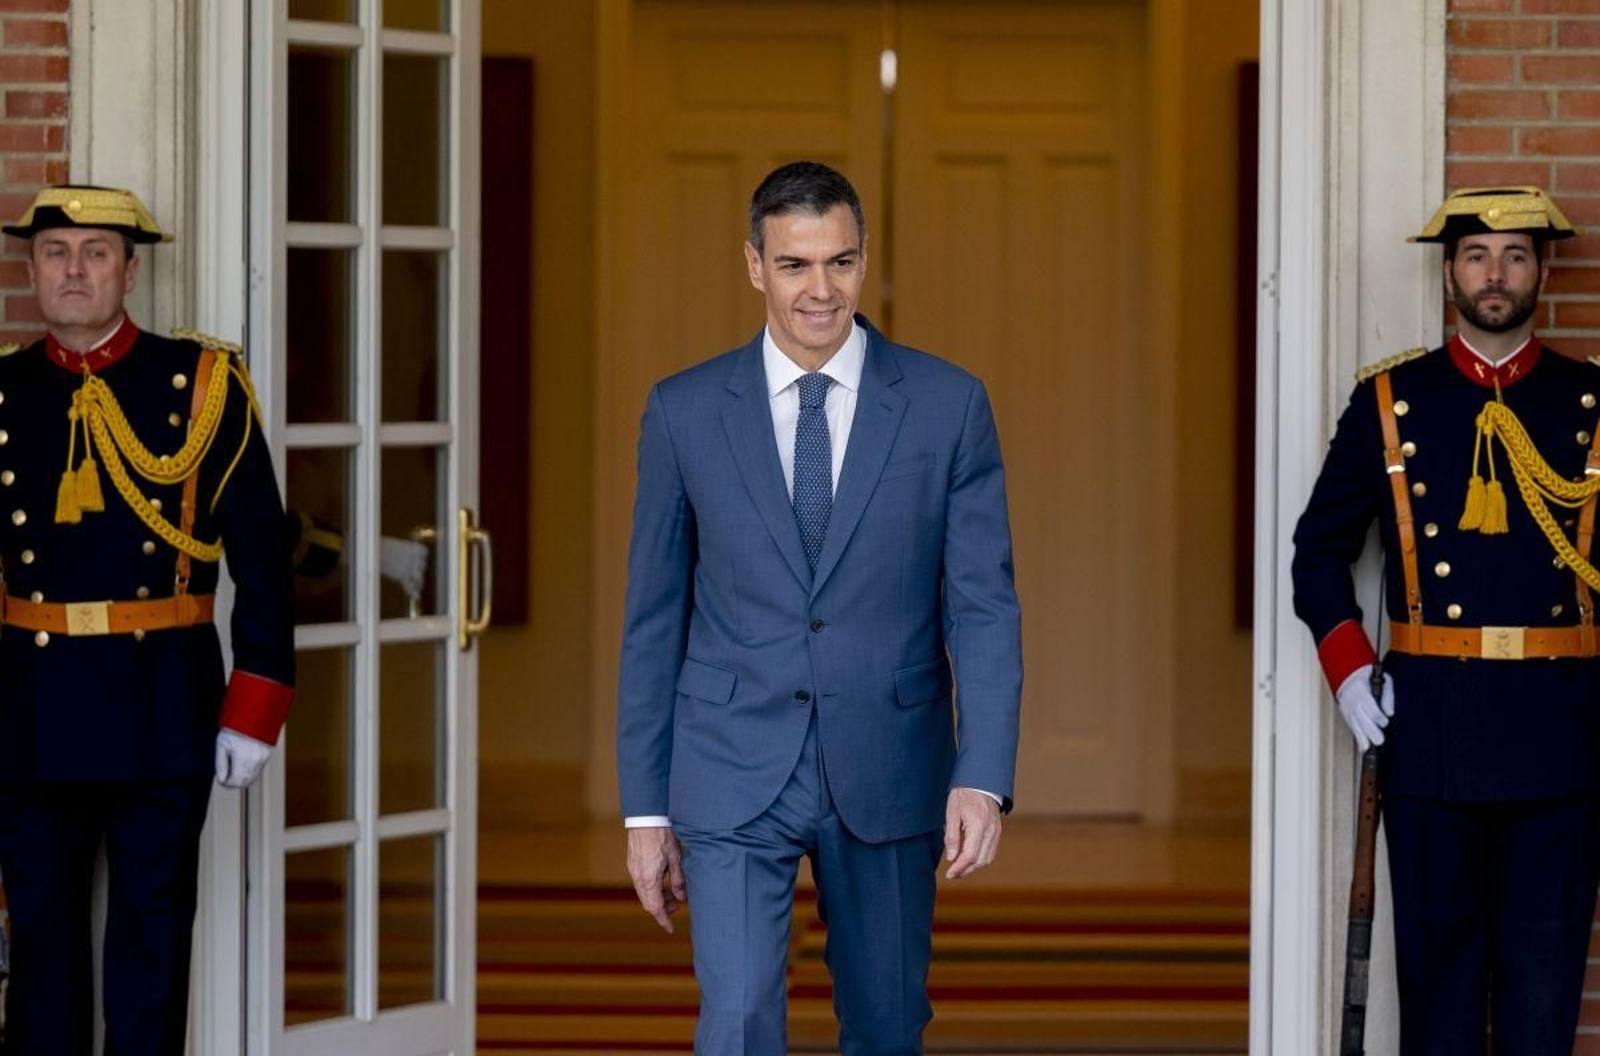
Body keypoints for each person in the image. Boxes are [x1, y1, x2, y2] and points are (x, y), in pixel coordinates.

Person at [615, 161, 1023, 1054]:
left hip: (890, 762)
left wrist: (982, 774)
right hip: (729, 768)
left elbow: (983, 605)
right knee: (739, 1021)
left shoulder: (948, 406)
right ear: (755, 265)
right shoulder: (683, 413)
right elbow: (653, 619)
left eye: (839, 263)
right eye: (795, 265)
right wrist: (645, 813)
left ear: (864, 260)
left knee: (885, 1027)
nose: (819, 289)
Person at [1292, 186, 1600, 1052]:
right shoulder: (1391, 400)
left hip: (1562, 739)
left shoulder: (1590, 402)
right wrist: (1350, 669)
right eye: (1475, 256)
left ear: (1541, 270)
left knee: (1543, 1009)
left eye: (1512, 256)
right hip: (1434, 734)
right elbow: (1317, 553)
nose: (1494, 274)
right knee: (1439, 1008)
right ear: (1449, 273)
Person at [0, 185, 294, 1053]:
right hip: (30, 709)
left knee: (150, 954)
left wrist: (256, 704)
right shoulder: (5, 392)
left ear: (130, 269)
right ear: (31, 270)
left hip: (161, 701)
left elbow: (263, 559)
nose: (76, 270)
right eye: (57, 253)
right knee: (43, 960)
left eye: (96, 252)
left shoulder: (202, 385)